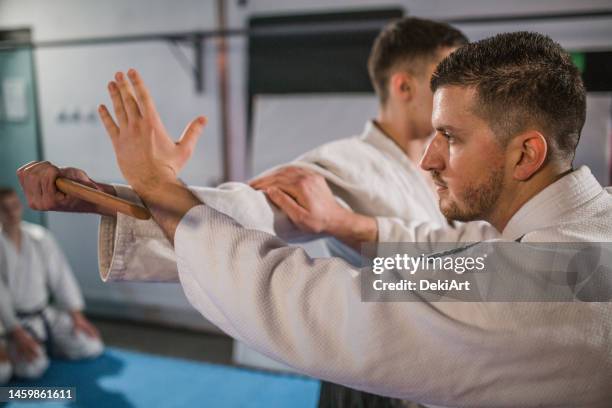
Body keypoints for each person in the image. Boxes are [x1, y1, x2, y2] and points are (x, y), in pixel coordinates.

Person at [17, 30, 612, 407]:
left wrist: (158, 186)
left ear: (526, 153)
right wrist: (124, 198)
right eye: (436, 131)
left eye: (450, 137)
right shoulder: (583, 228)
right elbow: (261, 208)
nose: (431, 158)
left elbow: (332, 299)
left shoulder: (548, 276)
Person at [0, 187, 103, 383]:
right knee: (32, 369)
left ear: (20, 206)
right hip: (14, 323)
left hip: (45, 314)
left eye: (14, 206)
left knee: (91, 345)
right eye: (4, 208)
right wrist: (16, 332)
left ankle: (48, 343)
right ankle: (23, 347)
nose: (12, 212)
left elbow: (61, 276)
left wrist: (77, 317)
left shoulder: (40, 237)